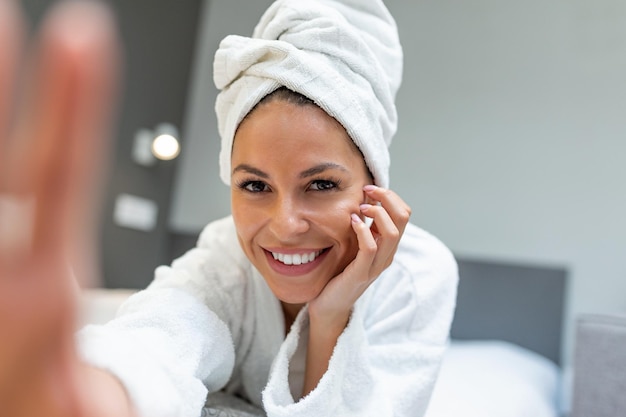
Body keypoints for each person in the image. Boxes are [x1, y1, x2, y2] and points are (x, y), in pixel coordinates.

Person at [0, 0, 458, 416]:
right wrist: (97, 395)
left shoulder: (418, 277)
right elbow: (161, 336)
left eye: (321, 184)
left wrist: (332, 315)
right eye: (255, 185)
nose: (285, 224)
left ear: (373, 186)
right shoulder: (226, 258)